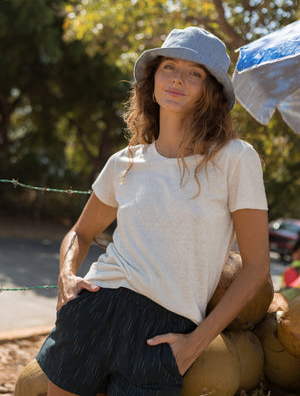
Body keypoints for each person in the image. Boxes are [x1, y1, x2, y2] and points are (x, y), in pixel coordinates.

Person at [36, 27, 270, 396]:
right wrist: (66, 277)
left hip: (164, 332)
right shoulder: (123, 162)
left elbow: (257, 267)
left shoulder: (236, 159)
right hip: (95, 309)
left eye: (195, 73)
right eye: (169, 67)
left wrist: (196, 343)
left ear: (211, 91)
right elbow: (80, 233)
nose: (178, 79)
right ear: (153, 78)